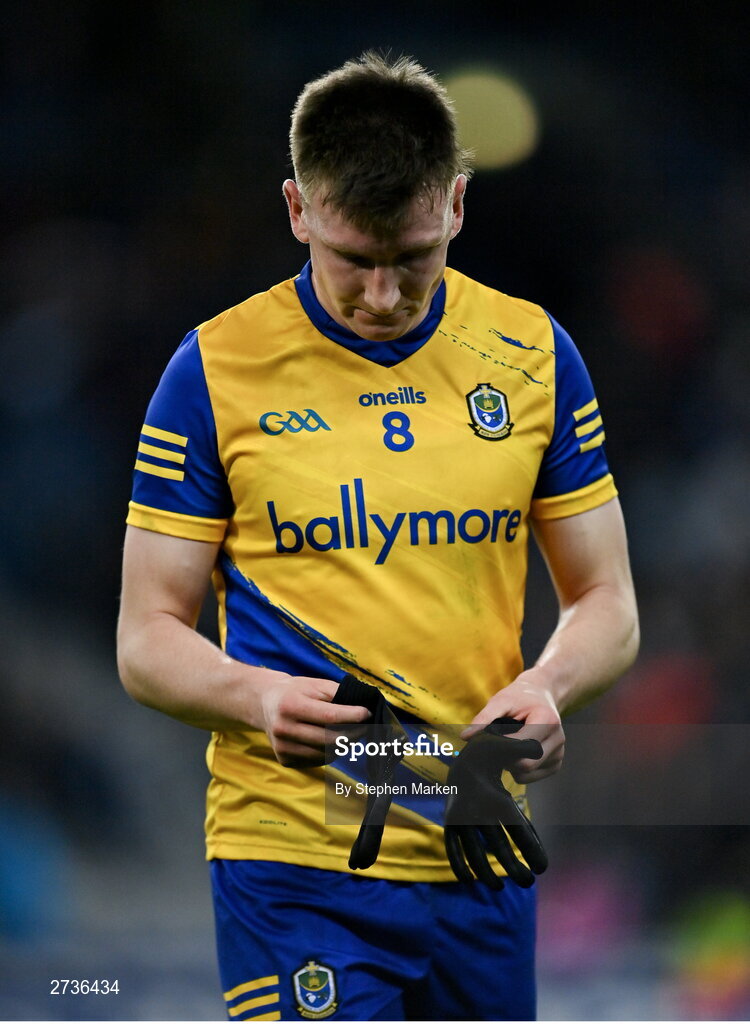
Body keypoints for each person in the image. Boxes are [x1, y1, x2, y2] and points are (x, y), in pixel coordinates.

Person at [117, 51, 639, 1022]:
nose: (385, 297)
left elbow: (606, 601)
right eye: (356, 262)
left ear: (456, 207)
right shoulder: (215, 372)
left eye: (412, 259)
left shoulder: (534, 355)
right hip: (296, 857)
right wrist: (255, 692)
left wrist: (547, 686)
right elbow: (145, 636)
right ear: (296, 211)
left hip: (478, 838)